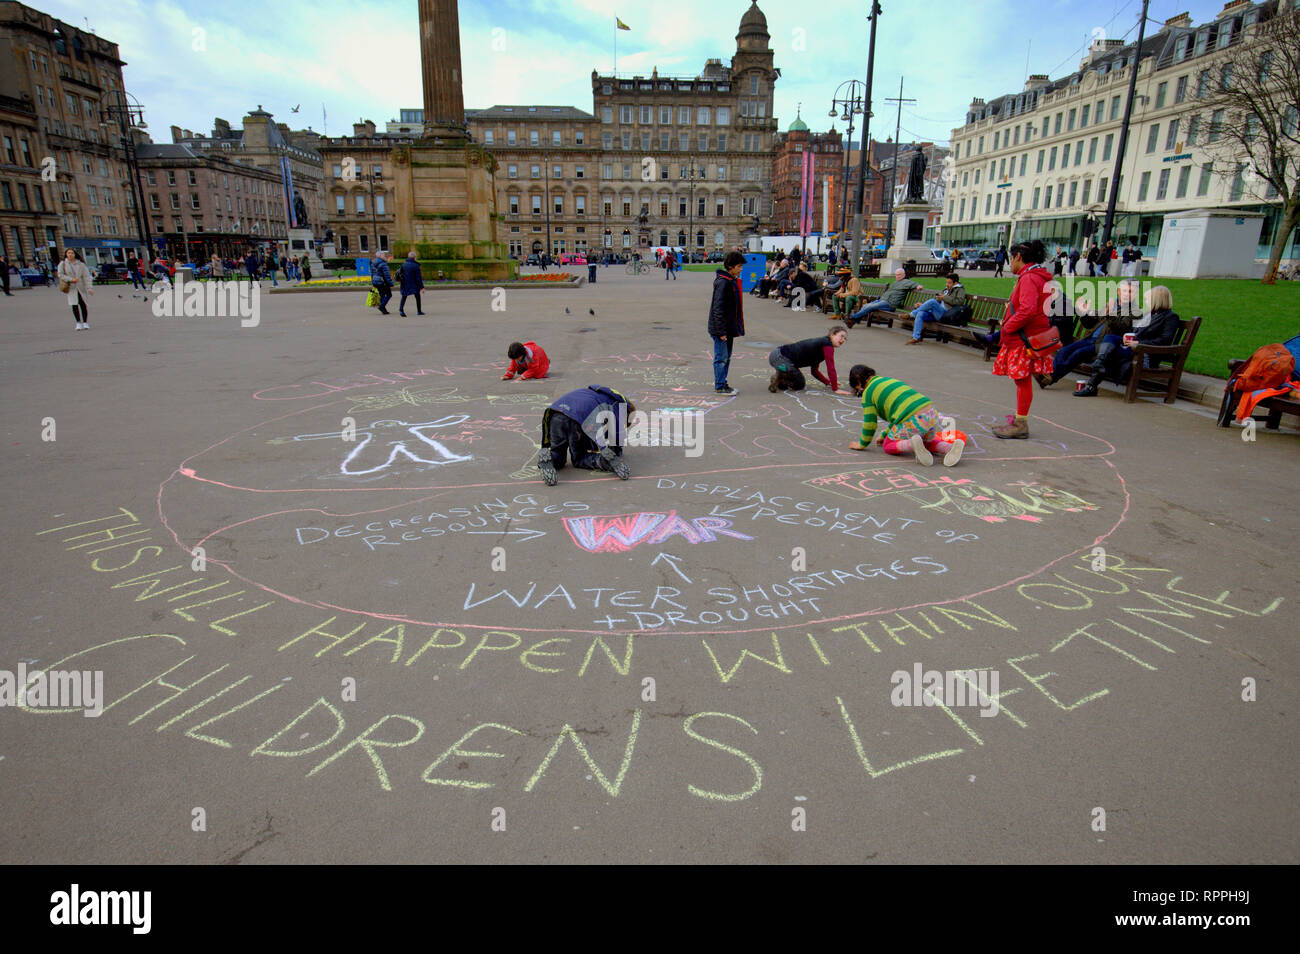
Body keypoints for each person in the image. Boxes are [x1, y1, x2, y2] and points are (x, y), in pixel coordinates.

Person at [990, 238, 1055, 439]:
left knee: (1021, 379)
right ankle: (1020, 418)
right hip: (1031, 335)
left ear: (1018, 256)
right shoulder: (1037, 277)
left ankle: (1021, 423)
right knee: (1022, 379)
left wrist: (1007, 327)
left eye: (1011, 258)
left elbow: (1027, 309)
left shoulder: (1029, 278)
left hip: (1023, 337)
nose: (1010, 263)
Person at [847, 364, 965, 467]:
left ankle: (912, 444)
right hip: (931, 414)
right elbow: (897, 418)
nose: (860, 392)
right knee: (927, 442)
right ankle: (949, 448)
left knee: (888, 445)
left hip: (913, 419)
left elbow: (870, 423)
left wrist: (862, 444)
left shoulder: (868, 393)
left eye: (858, 390)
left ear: (858, 382)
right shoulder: (888, 380)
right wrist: (884, 434)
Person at [1073, 286, 1180, 397]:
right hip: (1132, 347)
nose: (1146, 301)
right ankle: (1098, 365)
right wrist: (1126, 337)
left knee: (1108, 354)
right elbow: (1135, 331)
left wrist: (1139, 343)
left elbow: (1164, 341)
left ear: (1157, 300)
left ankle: (1092, 385)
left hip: (1144, 353)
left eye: (1148, 299)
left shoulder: (1170, 317)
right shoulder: (1150, 314)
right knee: (1110, 337)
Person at [1038, 278, 1141, 388]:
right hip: (1090, 339)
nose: (1127, 294)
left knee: (1078, 353)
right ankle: (1048, 375)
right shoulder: (1111, 304)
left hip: (1104, 345)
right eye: (1125, 291)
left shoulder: (1135, 312)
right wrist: (1083, 313)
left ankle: (1049, 377)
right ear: (1119, 291)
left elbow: (1122, 329)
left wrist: (1110, 314)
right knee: (1065, 350)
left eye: (1131, 292)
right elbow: (1090, 324)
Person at [537, 386, 635, 485]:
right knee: (580, 458)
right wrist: (616, 451)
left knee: (559, 457)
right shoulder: (620, 405)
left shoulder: (597, 392)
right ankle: (603, 462)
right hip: (576, 420)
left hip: (556, 414)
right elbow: (616, 433)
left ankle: (550, 458)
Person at [708, 250, 746, 395]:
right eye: (739, 266)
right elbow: (718, 308)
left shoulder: (730, 280)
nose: (741, 269)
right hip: (721, 329)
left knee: (726, 357)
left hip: (728, 327)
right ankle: (720, 385)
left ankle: (722, 382)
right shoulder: (724, 282)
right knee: (721, 357)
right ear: (731, 266)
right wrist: (721, 331)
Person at [768, 327, 849, 393]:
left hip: (776, 357)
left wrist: (827, 382)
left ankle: (781, 378)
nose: (843, 340)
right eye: (841, 336)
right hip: (781, 359)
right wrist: (836, 389)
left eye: (845, 338)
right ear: (832, 334)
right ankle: (780, 376)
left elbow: (814, 371)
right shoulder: (827, 345)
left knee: (785, 386)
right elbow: (831, 368)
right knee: (799, 384)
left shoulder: (822, 345)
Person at [906, 274, 970, 345]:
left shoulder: (960, 290)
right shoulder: (946, 290)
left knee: (932, 302)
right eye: (946, 282)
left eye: (949, 283)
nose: (947, 284)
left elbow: (959, 302)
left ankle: (911, 314)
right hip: (937, 313)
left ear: (955, 283)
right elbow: (937, 302)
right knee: (920, 313)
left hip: (947, 315)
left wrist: (944, 297)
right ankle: (916, 337)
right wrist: (923, 305)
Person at [845, 268, 921, 327]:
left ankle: (851, 317)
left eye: (899, 275)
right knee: (867, 306)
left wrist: (918, 286)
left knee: (870, 306)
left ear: (904, 274)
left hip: (890, 304)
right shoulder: (895, 282)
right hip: (883, 301)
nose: (897, 276)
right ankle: (853, 321)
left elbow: (915, 284)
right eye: (896, 275)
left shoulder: (906, 282)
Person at [57, 247, 94, 330]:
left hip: (81, 287)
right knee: (74, 305)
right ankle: (78, 323)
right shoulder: (63, 264)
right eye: (68, 253)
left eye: (72, 253)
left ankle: (85, 322)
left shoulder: (81, 264)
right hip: (71, 287)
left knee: (83, 304)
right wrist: (71, 279)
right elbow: (60, 275)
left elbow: (86, 277)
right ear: (66, 254)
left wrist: (89, 288)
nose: (70, 254)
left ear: (75, 254)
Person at [397, 250, 425, 317]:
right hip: (414, 284)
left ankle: (401, 309)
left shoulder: (404, 264)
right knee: (417, 296)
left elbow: (400, 274)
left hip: (405, 283)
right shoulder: (416, 266)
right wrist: (422, 287)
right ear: (415, 257)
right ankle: (419, 311)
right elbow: (418, 278)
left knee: (404, 296)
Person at [370, 250, 394, 314]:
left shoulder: (373, 263)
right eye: (383, 255)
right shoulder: (383, 264)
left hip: (376, 281)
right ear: (380, 256)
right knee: (389, 294)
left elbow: (372, 273)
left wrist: (373, 282)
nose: (385, 256)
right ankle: (381, 306)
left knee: (382, 295)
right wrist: (390, 283)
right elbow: (387, 275)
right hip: (382, 281)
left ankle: (383, 309)